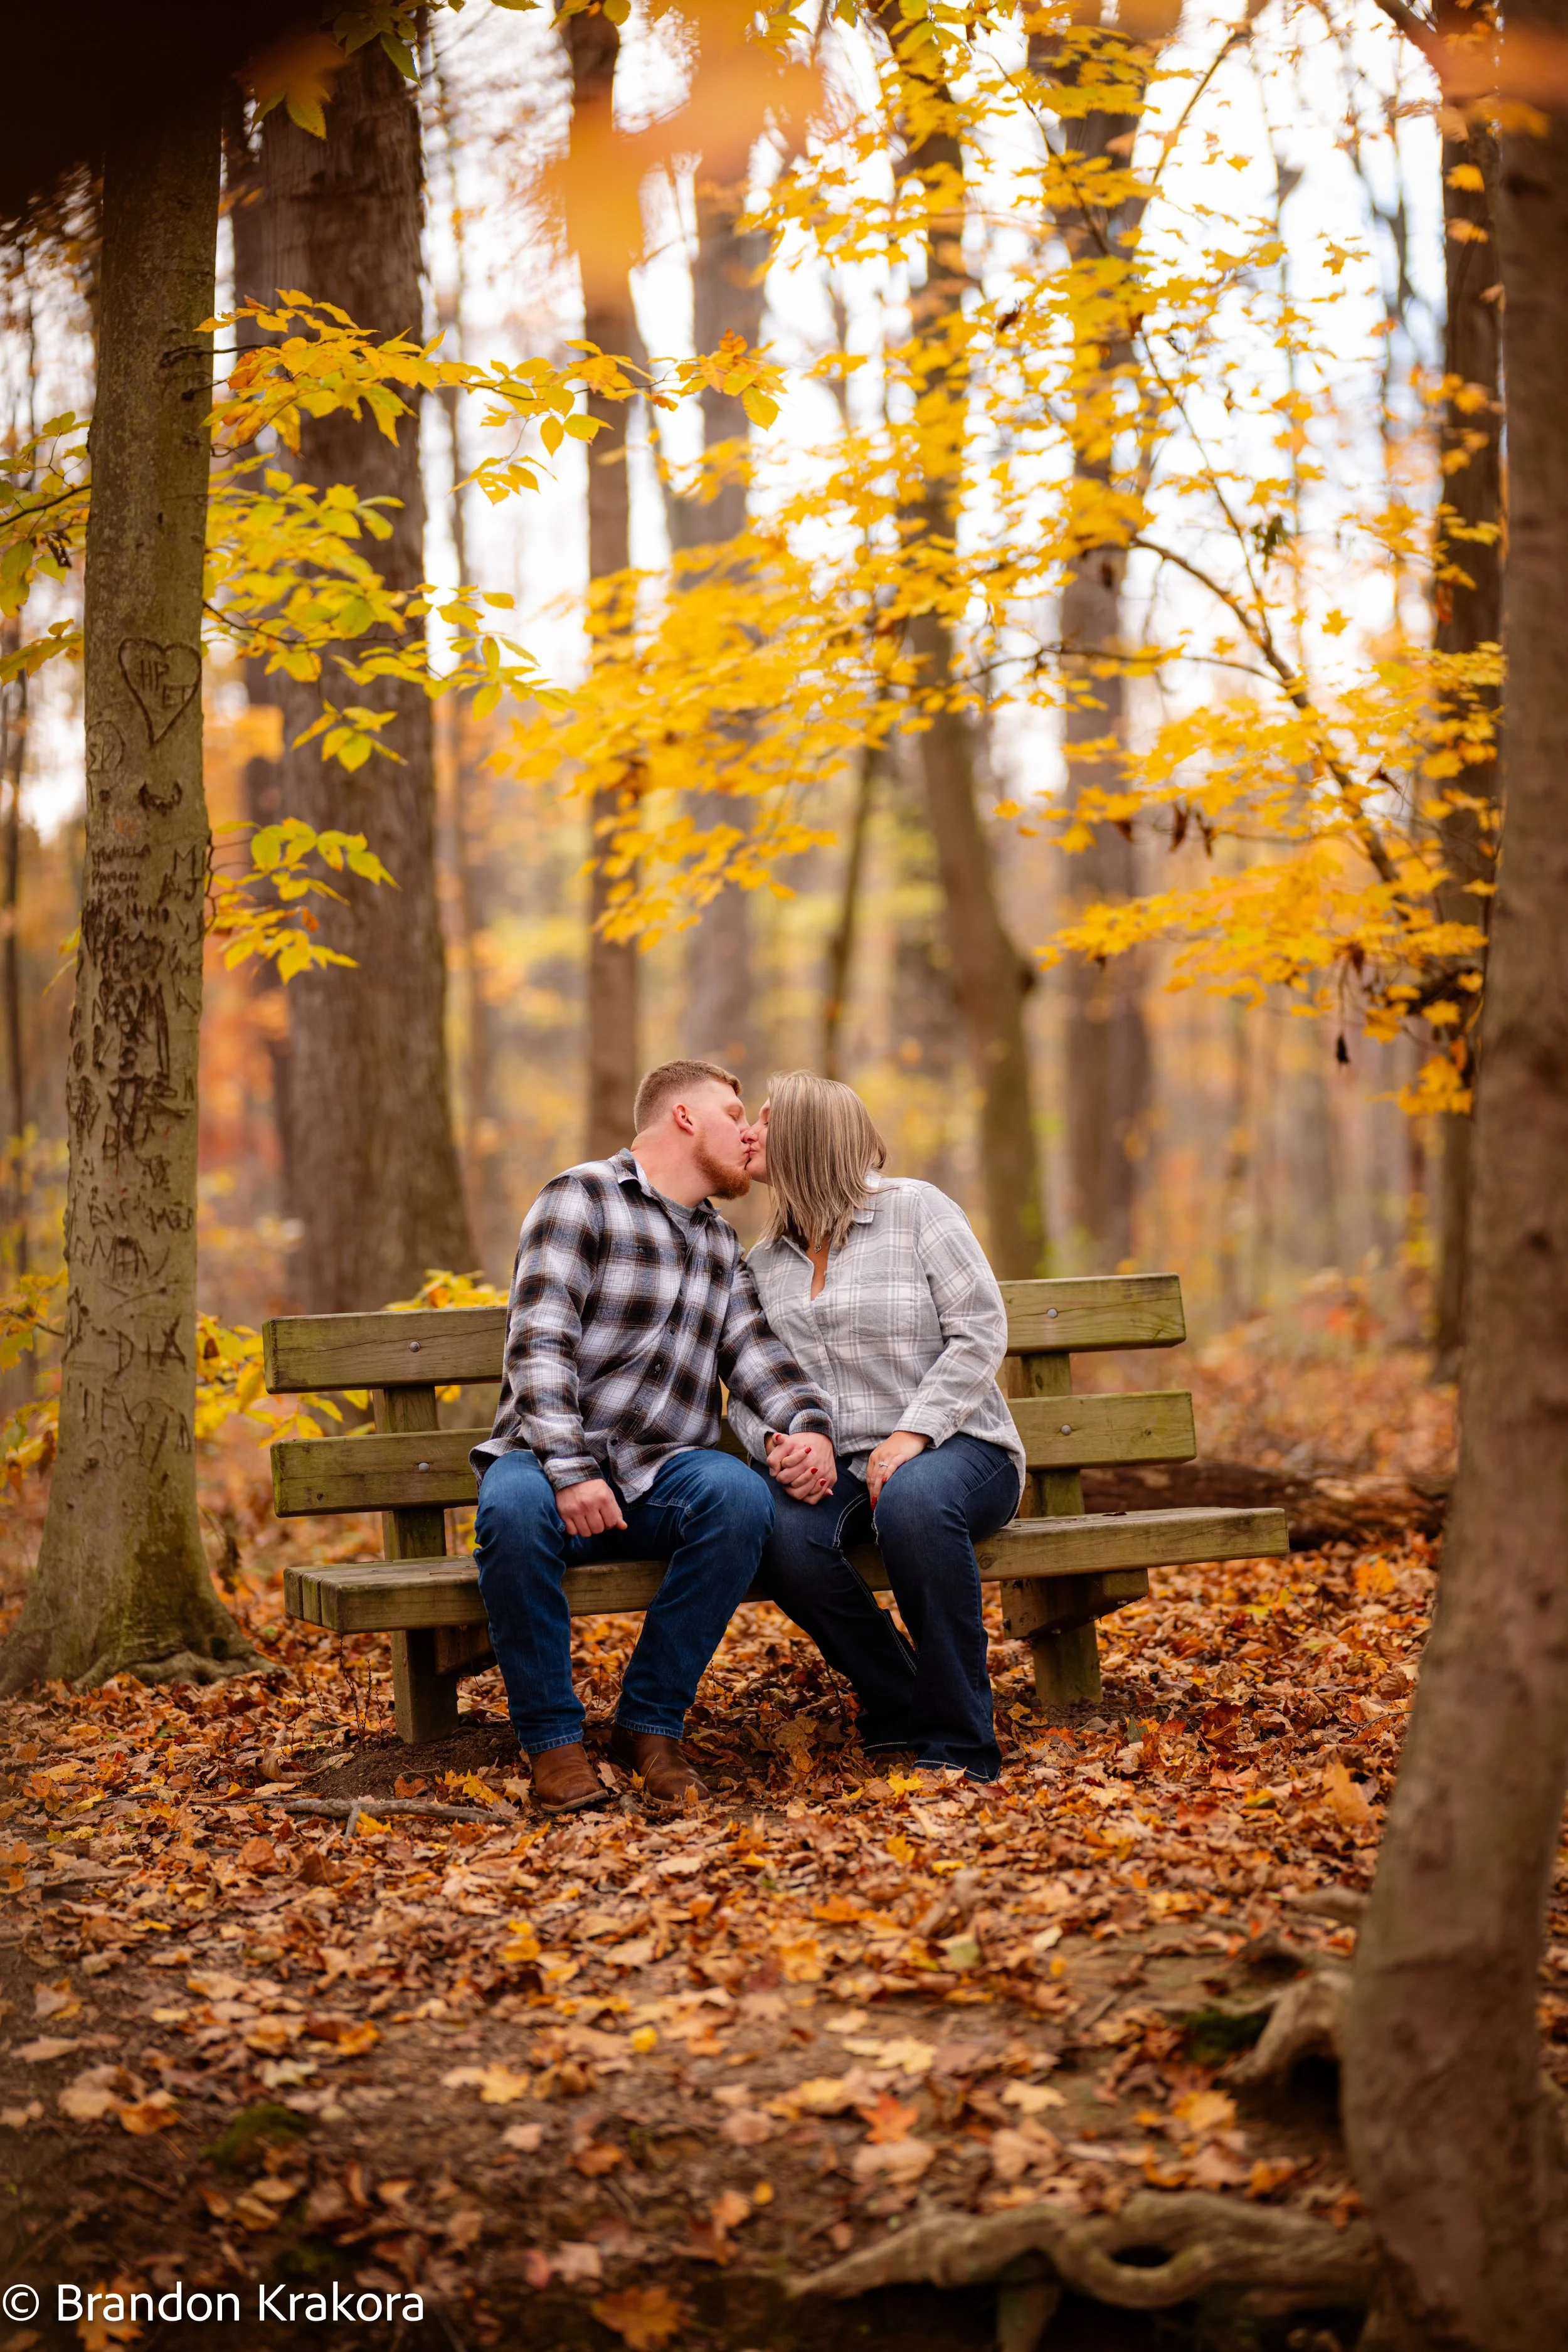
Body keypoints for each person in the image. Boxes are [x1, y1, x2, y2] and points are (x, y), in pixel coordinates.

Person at [472, 1059, 837, 1815]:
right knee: (508, 1510)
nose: (750, 1134)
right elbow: (538, 1345)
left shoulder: (716, 1244)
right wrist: (570, 1470)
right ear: (681, 1116)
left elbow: (758, 1357)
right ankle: (553, 1744)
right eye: (735, 1114)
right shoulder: (579, 1199)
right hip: (544, 1464)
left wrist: (809, 1429)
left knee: (738, 1496)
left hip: (656, 1482)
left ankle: (649, 1728)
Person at [731, 1071, 1025, 1781]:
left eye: (764, 1120)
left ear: (804, 1136)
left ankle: (959, 1742)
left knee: (915, 1502)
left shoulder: (917, 1210)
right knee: (783, 1538)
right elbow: (743, 1386)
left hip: (960, 1449)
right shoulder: (761, 1264)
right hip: (840, 1472)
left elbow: (979, 1332)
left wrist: (913, 1434)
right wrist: (777, 1443)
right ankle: (898, 1702)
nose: (748, 1131)